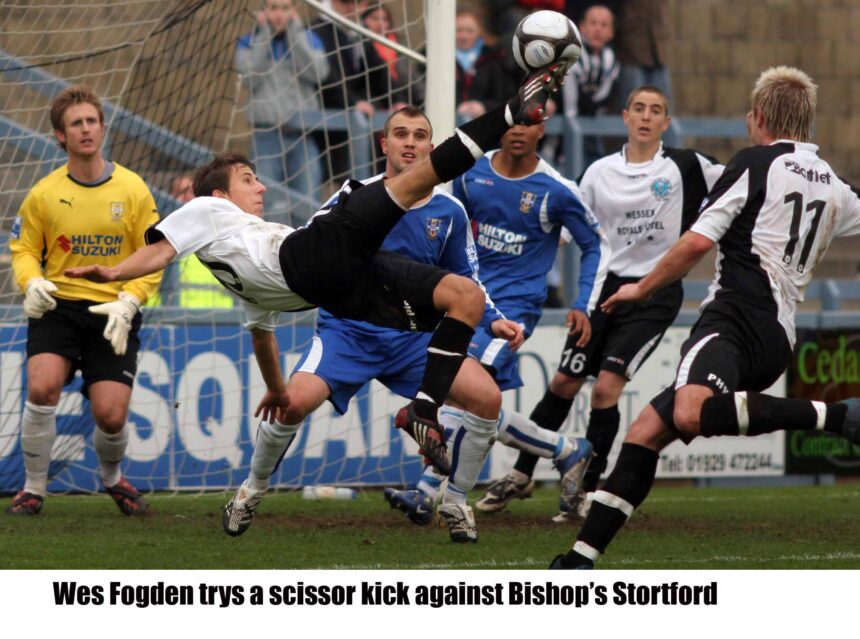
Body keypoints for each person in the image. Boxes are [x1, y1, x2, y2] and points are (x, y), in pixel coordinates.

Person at [63, 64, 564, 530]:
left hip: (351, 284)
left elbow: (261, 333)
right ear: (219, 196)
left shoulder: (247, 258)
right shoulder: (207, 212)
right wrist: (114, 273)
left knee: (467, 298)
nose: (260, 187)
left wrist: (276, 385)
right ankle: (252, 489)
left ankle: (430, 428)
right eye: (247, 179)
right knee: (424, 177)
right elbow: (161, 254)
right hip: (325, 260)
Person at [550, 66, 860, 569]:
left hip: (733, 320)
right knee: (645, 432)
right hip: (776, 337)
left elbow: (696, 241)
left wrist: (641, 288)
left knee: (691, 411)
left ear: (757, 118)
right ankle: (580, 559)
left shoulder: (755, 163)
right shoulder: (835, 185)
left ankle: (834, 415)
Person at [226, 106, 521, 540]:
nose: (410, 142)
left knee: (487, 400)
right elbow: (311, 250)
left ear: (431, 147)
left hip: (413, 340)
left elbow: (468, 278)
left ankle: (456, 502)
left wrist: (494, 320)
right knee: (289, 404)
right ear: (384, 144)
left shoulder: (451, 211)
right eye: (400, 134)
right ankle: (253, 488)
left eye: (420, 136)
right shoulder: (353, 195)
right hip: (348, 333)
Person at [478, 86, 723, 523]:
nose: (646, 117)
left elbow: (738, 186)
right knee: (562, 385)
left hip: (653, 293)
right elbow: (576, 231)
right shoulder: (598, 173)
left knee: (607, 388)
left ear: (666, 122)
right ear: (624, 117)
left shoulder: (687, 165)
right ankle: (521, 475)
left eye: (657, 111)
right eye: (639, 109)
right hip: (604, 291)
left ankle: (585, 489)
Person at [385, 118, 610, 532]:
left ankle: (426, 490)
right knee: (474, 402)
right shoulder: (473, 173)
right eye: (513, 122)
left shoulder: (557, 189)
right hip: (467, 302)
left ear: (543, 130)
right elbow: (453, 232)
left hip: (513, 311)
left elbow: (595, 243)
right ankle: (565, 448)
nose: (519, 131)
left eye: (530, 124)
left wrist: (582, 303)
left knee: (465, 394)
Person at [7, 86, 161, 516]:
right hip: (59, 307)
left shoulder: (133, 189)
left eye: (92, 121)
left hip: (114, 311)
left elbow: (153, 255)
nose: (86, 129)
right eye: (77, 123)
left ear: (103, 127)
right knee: (42, 387)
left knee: (111, 417)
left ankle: (111, 478)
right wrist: (32, 283)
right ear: (61, 135)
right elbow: (22, 249)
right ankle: (33, 487)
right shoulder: (43, 193)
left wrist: (131, 300)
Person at [235, 0, 329, 202]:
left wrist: (296, 35)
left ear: (293, 11)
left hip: (302, 135)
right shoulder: (248, 41)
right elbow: (251, 79)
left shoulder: (309, 39)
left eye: (285, 8)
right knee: (265, 200)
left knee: (309, 200)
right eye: (273, 8)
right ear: (263, 11)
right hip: (266, 135)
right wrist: (265, 36)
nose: (279, 15)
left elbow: (318, 73)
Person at [311, 0, 375, 183]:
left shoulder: (360, 32)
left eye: (358, 3)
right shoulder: (318, 29)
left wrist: (397, 100)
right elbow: (326, 75)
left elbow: (378, 71)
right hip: (322, 121)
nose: (351, 7)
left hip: (353, 124)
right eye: (345, 2)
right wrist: (352, 102)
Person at [557, 4, 620, 167]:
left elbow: (604, 97)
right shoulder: (571, 54)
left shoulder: (610, 59)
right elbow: (569, 101)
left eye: (604, 25)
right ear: (582, 27)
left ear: (612, 32)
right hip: (561, 124)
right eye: (593, 23)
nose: (598, 29)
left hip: (592, 123)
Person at [455, 8, 519, 121]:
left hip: (485, 121)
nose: (464, 36)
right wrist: (455, 107)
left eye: (469, 31)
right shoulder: (433, 55)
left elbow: (505, 97)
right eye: (459, 30)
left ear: (479, 31)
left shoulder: (494, 58)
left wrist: (483, 107)